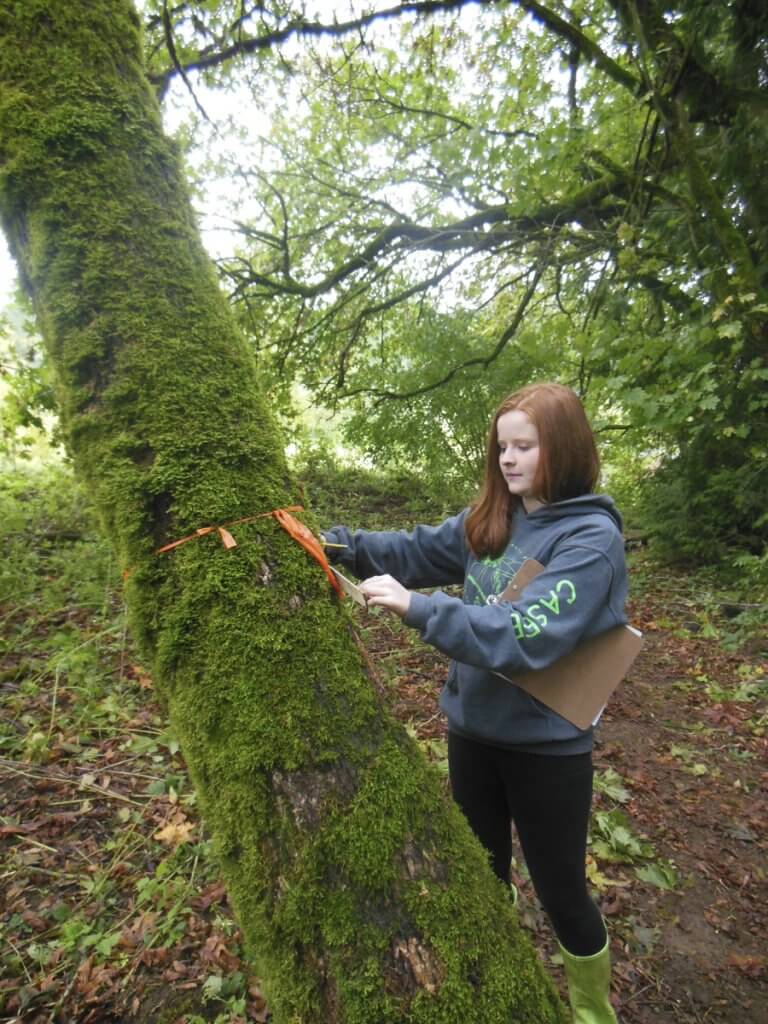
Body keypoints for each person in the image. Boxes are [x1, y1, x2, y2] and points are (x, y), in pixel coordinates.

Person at [322, 382, 626, 1024]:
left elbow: (523, 632)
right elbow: (412, 550)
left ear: (564, 448)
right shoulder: (493, 516)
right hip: (474, 732)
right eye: (501, 447)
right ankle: (500, 981)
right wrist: (336, 542)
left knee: (561, 890)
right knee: (481, 871)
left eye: (525, 446)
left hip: (547, 748)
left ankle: (593, 1012)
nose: (508, 459)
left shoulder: (591, 541)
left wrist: (421, 608)